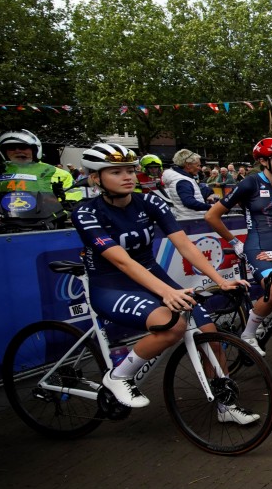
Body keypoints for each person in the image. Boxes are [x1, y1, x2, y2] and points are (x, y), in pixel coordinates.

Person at [71, 143, 253, 422]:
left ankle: (226, 407)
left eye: (130, 170)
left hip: (152, 276)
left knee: (208, 333)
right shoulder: (86, 213)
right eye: (116, 172)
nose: (127, 176)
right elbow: (122, 262)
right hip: (112, 285)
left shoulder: (150, 201)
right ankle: (118, 376)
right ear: (96, 178)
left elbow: (186, 247)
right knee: (173, 326)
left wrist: (221, 281)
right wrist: (168, 292)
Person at [205, 138, 272, 376]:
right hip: (258, 245)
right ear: (263, 161)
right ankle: (249, 333)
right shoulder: (249, 183)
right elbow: (212, 216)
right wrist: (234, 242)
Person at [0, 129, 67, 228]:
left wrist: (64, 209)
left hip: (47, 221)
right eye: (11, 148)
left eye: (23, 147)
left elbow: (73, 198)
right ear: (4, 152)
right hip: (4, 223)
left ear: (34, 149)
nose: (18, 151)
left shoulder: (55, 171)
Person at [161, 149, 212, 220]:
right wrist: (212, 207)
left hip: (188, 218)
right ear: (188, 165)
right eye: (198, 165)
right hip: (192, 221)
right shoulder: (182, 181)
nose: (200, 168)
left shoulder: (179, 178)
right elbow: (189, 202)